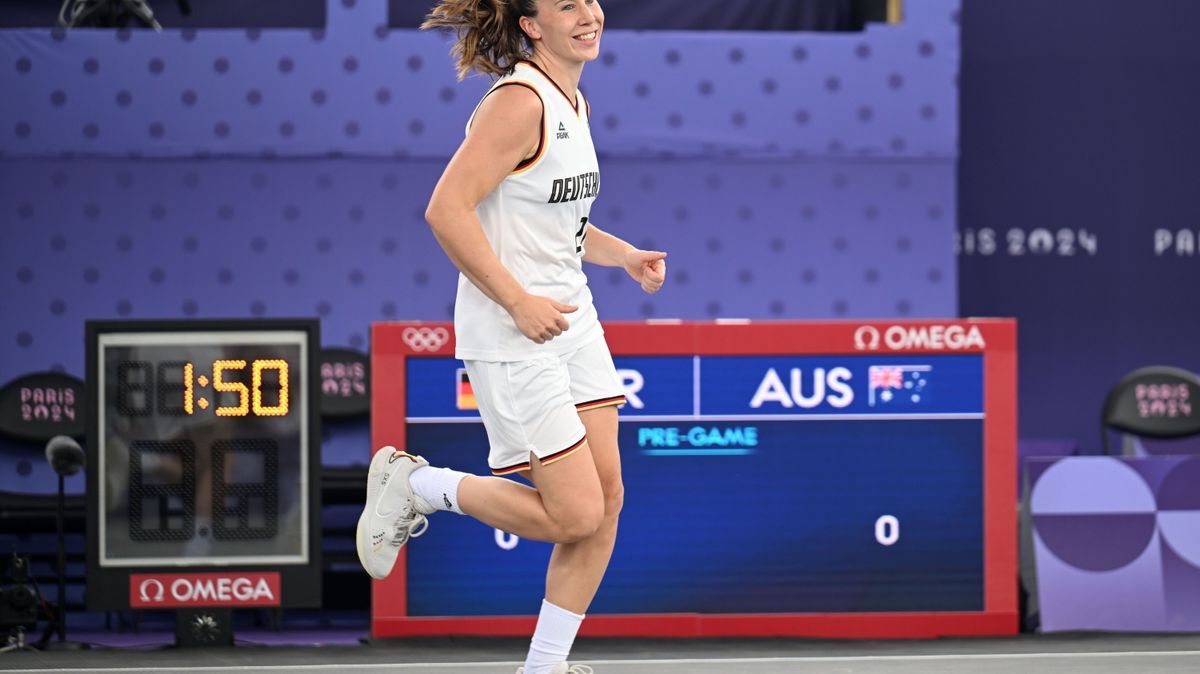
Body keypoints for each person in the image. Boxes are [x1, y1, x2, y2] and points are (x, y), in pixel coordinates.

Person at [356, 1, 667, 673]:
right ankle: (419, 485)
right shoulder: (519, 103)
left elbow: (556, 227)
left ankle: (545, 667)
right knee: (575, 515)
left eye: (589, 0)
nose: (588, 14)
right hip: (512, 331)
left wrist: (624, 256)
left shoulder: (572, 102)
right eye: (566, 6)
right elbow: (446, 209)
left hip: (573, 323)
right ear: (531, 25)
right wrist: (518, 300)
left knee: (607, 503)